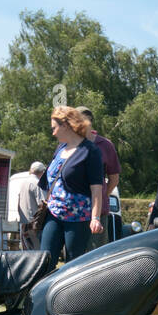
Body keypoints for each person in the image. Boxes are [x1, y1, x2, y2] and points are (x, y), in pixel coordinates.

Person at [40, 106, 105, 263]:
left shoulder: (91, 151)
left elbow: (96, 189)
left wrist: (95, 218)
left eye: (54, 128)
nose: (53, 132)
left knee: (73, 264)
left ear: (66, 125)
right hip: (54, 213)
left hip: (78, 218)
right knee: (44, 260)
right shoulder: (60, 148)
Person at [75, 106, 121, 245]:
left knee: (97, 254)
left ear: (89, 121)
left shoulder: (105, 145)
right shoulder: (69, 143)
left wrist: (101, 196)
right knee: (75, 253)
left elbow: (114, 178)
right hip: (73, 210)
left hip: (98, 212)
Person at [14, 161, 47, 249]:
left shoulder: (24, 183)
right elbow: (43, 205)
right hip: (34, 224)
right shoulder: (38, 184)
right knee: (36, 251)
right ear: (42, 172)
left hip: (24, 222)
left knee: (26, 251)